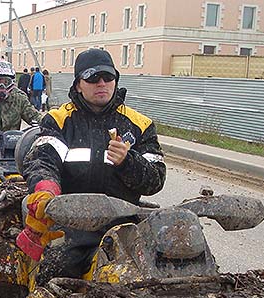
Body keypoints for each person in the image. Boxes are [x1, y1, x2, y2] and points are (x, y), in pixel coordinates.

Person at [16, 48, 166, 285]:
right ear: (78, 85)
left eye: (108, 77)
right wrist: (46, 190)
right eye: (93, 78)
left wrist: (128, 162)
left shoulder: (140, 125)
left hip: (125, 226)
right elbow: (43, 159)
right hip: (72, 225)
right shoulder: (59, 120)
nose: (102, 83)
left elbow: (155, 180)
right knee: (53, 274)